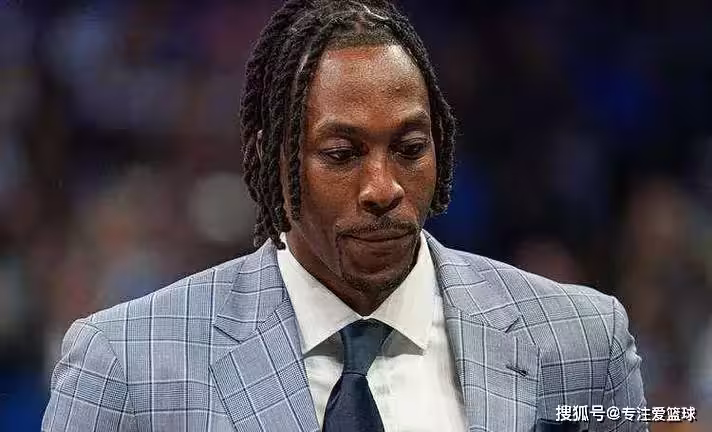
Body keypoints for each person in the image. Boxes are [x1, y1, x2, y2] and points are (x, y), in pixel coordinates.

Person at [42, 1, 647, 431]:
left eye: (410, 149)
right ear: (272, 160)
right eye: (341, 154)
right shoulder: (126, 365)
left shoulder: (582, 344)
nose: (383, 188)